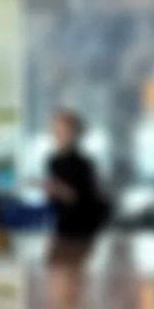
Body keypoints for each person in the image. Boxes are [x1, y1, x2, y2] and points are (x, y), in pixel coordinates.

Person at [43, 109, 109, 264]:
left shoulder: (84, 163)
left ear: (75, 133)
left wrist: (63, 192)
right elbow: (54, 200)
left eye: (63, 131)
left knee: (74, 269)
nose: (58, 135)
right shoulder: (52, 161)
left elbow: (88, 200)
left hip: (82, 230)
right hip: (61, 227)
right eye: (56, 130)